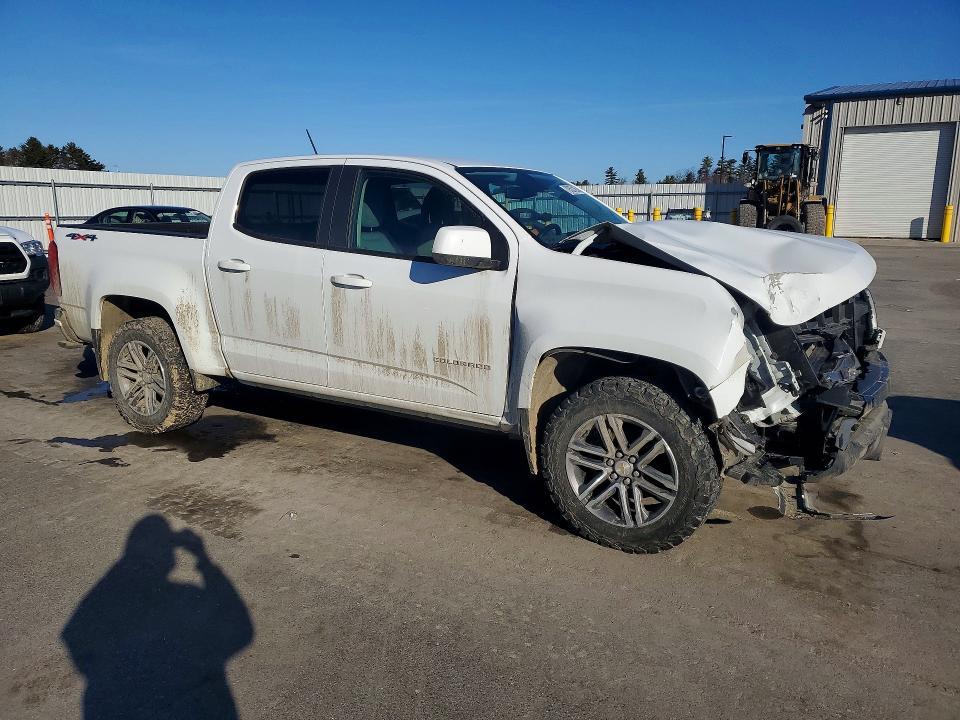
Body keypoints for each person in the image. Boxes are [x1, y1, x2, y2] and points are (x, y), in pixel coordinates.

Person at [62, 515, 253, 719]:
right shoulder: (186, 596)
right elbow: (241, 630)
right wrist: (203, 558)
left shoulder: (105, 608)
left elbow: (74, 635)